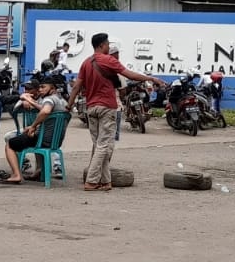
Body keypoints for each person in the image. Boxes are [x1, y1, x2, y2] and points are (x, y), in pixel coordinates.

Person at [68, 32, 164, 192]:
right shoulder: (109, 60)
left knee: (100, 145)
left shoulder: (85, 63)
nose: (108, 47)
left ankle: (105, 182)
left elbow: (77, 86)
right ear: (101, 45)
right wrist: (150, 79)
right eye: (107, 44)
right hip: (107, 107)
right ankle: (91, 181)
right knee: (104, 145)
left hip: (91, 108)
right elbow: (129, 74)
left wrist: (68, 105)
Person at [1, 74, 69, 183]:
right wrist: (35, 126)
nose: (40, 90)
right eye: (40, 87)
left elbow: (45, 111)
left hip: (43, 139)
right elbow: (52, 118)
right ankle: (39, 171)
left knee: (10, 143)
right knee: (24, 135)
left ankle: (16, 175)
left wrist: (33, 126)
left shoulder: (50, 100)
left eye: (43, 87)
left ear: (53, 88)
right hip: (55, 140)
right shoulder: (63, 101)